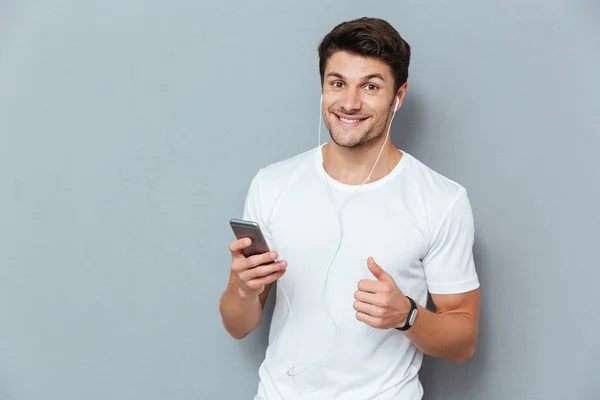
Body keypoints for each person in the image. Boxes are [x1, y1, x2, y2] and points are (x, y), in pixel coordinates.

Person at [219, 16, 480, 400]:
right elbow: (238, 326)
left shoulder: (441, 200)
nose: (349, 103)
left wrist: (407, 315)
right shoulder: (271, 184)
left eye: (370, 86)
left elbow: (463, 342)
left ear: (399, 95)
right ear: (323, 87)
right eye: (337, 83)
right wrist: (242, 291)